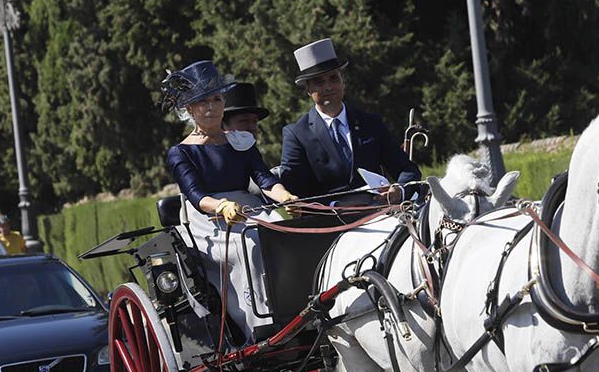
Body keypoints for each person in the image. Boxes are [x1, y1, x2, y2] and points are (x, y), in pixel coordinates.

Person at [163, 61, 297, 341]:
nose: (211, 106)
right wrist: (221, 206)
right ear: (189, 109)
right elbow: (195, 195)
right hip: (207, 220)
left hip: (247, 207)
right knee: (248, 244)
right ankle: (260, 322)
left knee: (283, 235)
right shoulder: (181, 153)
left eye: (216, 99)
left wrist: (284, 196)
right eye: (202, 101)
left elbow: (263, 179)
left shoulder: (241, 141)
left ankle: (299, 311)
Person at [278, 38, 420, 202]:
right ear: (308, 89)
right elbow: (294, 190)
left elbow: (406, 169)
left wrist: (399, 190)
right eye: (319, 82)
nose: (328, 87)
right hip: (330, 222)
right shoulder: (296, 134)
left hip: (379, 214)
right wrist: (331, 207)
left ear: (343, 82)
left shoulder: (371, 123)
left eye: (333, 78)